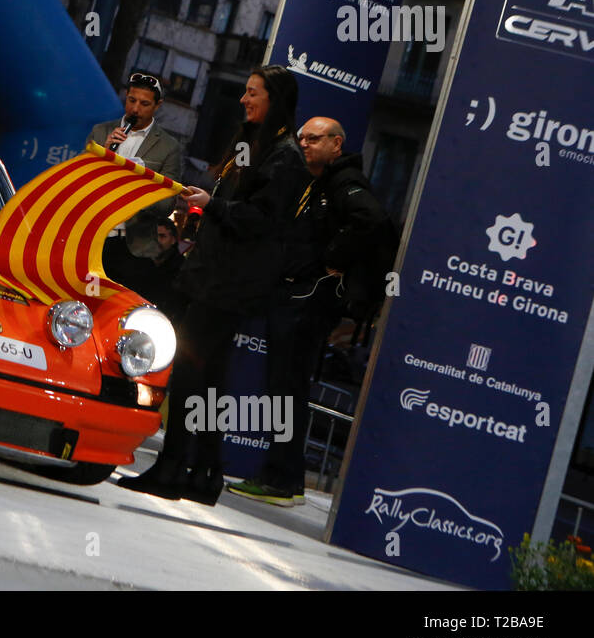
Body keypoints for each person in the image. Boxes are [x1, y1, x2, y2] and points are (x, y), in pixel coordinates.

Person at [118, 66, 308, 506]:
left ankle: (172, 468)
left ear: (275, 98)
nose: (243, 99)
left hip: (227, 284)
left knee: (190, 374)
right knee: (209, 381)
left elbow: (261, 219)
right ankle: (204, 474)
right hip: (216, 277)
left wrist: (213, 205)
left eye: (253, 93)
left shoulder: (283, 156)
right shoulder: (256, 146)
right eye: (244, 91)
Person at [229, 116, 394, 506]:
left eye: (315, 139)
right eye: (302, 138)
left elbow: (373, 220)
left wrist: (332, 259)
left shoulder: (343, 181)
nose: (305, 144)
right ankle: (287, 479)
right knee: (285, 389)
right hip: (297, 298)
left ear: (336, 144)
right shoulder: (319, 181)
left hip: (308, 303)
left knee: (286, 390)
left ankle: (280, 481)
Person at [86, 72, 182, 285]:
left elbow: (168, 204)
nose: (135, 109)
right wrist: (103, 151)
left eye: (145, 103)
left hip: (133, 247)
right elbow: (78, 180)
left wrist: (139, 188)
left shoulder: (169, 147)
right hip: (91, 238)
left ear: (158, 105)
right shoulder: (101, 132)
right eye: (131, 100)